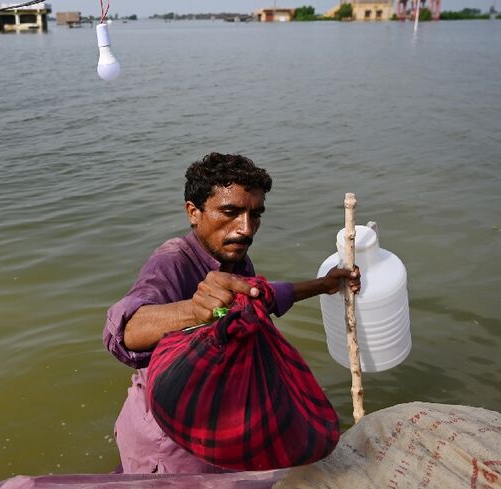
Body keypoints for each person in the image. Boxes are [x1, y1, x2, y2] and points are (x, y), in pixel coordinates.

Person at [102, 152, 361, 474]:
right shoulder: (172, 261)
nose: (246, 229)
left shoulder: (234, 259)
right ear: (193, 213)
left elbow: (262, 296)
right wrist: (195, 310)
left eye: (255, 215)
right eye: (230, 212)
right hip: (169, 434)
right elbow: (128, 330)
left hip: (213, 413)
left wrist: (324, 284)